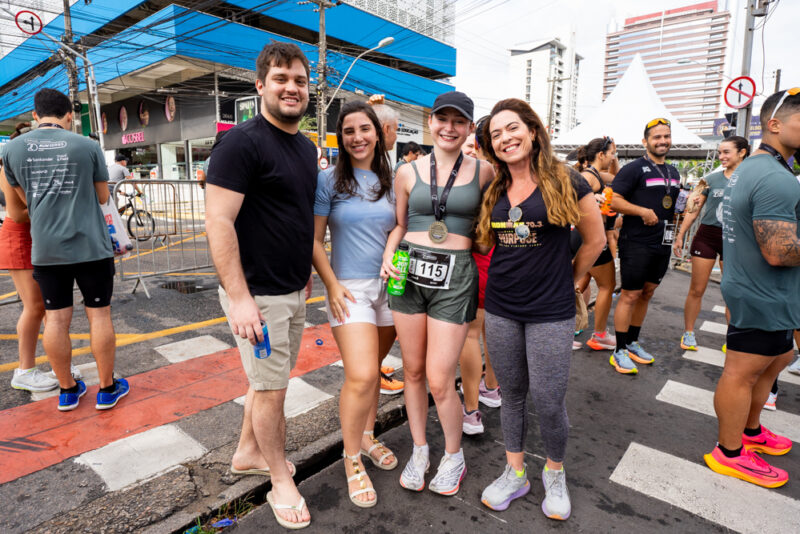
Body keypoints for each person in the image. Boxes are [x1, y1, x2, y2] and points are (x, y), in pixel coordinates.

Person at [474, 98, 605, 519]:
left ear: (532, 131)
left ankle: (554, 471)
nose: (505, 138)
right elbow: (488, 242)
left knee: (549, 400)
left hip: (550, 310)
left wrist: (572, 280)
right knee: (511, 395)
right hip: (501, 307)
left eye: (512, 128)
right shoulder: (494, 186)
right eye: (496, 134)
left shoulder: (565, 178)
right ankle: (515, 472)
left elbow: (596, 241)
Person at [205, 42, 315, 529]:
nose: (291, 88)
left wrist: (306, 274)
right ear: (259, 85)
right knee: (272, 392)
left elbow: (296, 217)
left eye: (299, 80)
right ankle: (279, 479)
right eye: (281, 79)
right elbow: (218, 223)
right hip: (258, 296)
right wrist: (240, 298)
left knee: (267, 382)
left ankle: (248, 451)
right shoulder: (241, 143)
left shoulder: (306, 146)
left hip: (290, 290)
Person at [381, 91, 493, 496]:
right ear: (431, 122)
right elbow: (397, 226)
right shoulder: (407, 172)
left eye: (458, 121)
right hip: (408, 272)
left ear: (468, 128)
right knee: (411, 371)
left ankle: (452, 455)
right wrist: (389, 255)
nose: (449, 127)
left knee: (440, 378)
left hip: (456, 277)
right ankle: (420, 449)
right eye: (442, 119)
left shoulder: (484, 173)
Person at [3, 88, 127, 411]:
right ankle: (107, 389)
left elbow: (24, 201)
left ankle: (68, 391)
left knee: (56, 320)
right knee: (99, 315)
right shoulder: (87, 146)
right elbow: (103, 197)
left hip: (46, 249)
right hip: (91, 246)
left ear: (34, 115)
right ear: (69, 115)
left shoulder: (12, 151)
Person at [704, 88, 800, 489]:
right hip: (762, 291)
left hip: (761, 289)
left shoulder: (753, 167)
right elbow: (779, 250)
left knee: (777, 359)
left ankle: (752, 430)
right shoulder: (775, 177)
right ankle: (728, 453)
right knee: (741, 373)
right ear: (775, 125)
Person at [312, 101, 398, 508]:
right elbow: (313, 240)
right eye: (349, 131)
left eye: (365, 129)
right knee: (361, 374)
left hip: (391, 288)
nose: (358, 137)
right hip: (349, 289)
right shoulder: (328, 181)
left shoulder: (394, 180)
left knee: (374, 373)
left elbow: (401, 226)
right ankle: (350, 459)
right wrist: (330, 285)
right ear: (340, 137)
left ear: (378, 133)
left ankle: (366, 437)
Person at [607, 118, 681, 374]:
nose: (663, 141)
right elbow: (613, 201)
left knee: (648, 292)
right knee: (630, 294)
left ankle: (632, 342)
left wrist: (677, 231)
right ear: (645, 141)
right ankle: (619, 350)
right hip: (636, 242)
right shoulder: (634, 168)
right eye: (657, 137)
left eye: (666, 136)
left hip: (663, 242)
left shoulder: (673, 171)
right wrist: (641, 211)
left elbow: (672, 205)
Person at [674, 136, 749, 351]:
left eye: (726, 152)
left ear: (742, 152)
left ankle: (732, 338)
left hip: (735, 240)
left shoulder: (750, 180)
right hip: (707, 236)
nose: (721, 157)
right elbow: (693, 209)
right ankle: (688, 333)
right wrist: (680, 235)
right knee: (697, 289)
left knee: (732, 292)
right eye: (720, 152)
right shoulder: (710, 179)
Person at [1, 135, 60, 393]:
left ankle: (59, 364)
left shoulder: (31, 164)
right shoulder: (8, 166)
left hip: (38, 237)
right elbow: (16, 213)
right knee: (35, 307)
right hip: (20, 237)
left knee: (49, 307)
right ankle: (24, 370)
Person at [458, 122, 502, 436]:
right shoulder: (516, 175)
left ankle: (471, 411)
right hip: (506, 262)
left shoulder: (480, 174)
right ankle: (492, 388)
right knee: (493, 330)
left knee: (471, 333)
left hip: (478, 258)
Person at [368, 94, 404, 396]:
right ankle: (373, 369)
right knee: (385, 322)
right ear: (387, 129)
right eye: (397, 128)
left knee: (391, 320)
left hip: (387, 258)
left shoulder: (383, 162)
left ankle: (375, 365)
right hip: (373, 262)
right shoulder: (374, 162)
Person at [575, 136, 619, 351]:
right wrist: (592, 200)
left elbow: (618, 179)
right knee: (607, 285)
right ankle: (599, 335)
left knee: (577, 286)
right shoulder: (587, 177)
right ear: (601, 155)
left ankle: (565, 330)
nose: (613, 157)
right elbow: (570, 200)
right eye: (611, 153)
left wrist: (616, 156)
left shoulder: (595, 174)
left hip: (591, 239)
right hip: (591, 240)